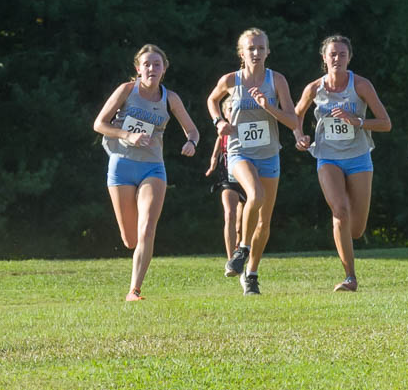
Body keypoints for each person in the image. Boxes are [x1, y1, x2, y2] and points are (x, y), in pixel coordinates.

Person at [93, 44, 199, 301]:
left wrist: (191, 143)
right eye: (147, 65)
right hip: (121, 166)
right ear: (138, 69)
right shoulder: (126, 90)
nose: (152, 69)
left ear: (164, 69)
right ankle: (134, 268)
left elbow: (193, 130)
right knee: (130, 239)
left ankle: (134, 290)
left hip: (153, 168)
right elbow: (99, 124)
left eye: (157, 65)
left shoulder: (170, 98)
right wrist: (126, 135)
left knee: (147, 230)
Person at [293, 35, 391, 291]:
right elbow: (296, 115)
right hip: (327, 156)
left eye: (342, 54)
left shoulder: (361, 85)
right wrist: (300, 136)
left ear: (349, 58)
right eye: (332, 54)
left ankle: (349, 252)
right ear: (324, 59)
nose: (337, 59)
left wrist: (356, 121)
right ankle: (350, 277)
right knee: (339, 211)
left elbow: (385, 123)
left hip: (358, 158)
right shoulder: (314, 88)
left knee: (356, 229)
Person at [206, 29, 298, 295]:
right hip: (239, 152)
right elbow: (212, 100)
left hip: (269, 154)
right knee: (254, 193)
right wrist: (219, 121)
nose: (256, 53)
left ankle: (252, 274)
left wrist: (268, 106)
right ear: (241, 53)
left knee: (264, 222)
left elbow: (293, 122)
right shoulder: (230, 81)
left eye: (260, 48)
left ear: (268, 51)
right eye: (251, 49)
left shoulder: (277, 80)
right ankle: (242, 249)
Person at [204, 130, 245, 260]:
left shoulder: (249, 121)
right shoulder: (223, 130)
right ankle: (231, 260)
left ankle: (242, 248)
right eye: (228, 109)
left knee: (240, 227)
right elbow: (220, 137)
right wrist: (214, 158)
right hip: (228, 180)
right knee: (229, 215)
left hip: (248, 180)